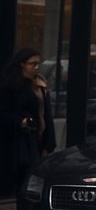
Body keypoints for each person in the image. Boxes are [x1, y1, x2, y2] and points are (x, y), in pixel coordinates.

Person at [0, 49, 56, 196]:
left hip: (37, 139)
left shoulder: (39, 85)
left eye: (38, 63)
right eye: (32, 64)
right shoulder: (11, 86)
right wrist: (21, 121)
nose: (36, 67)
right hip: (19, 141)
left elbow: (46, 115)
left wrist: (48, 143)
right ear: (22, 65)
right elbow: (5, 113)